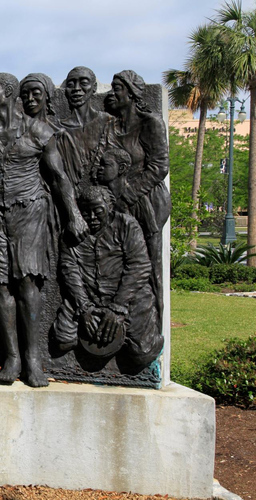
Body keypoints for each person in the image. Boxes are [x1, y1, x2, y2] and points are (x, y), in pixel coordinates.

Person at [0, 72, 88, 387]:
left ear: (10, 94)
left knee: (28, 282)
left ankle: (33, 358)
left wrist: (73, 215)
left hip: (28, 211)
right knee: (0, 286)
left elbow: (58, 177)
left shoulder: (39, 130)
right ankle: (11, 357)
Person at [52, 186, 162, 369]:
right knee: (63, 341)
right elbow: (69, 270)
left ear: (110, 207)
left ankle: (146, 335)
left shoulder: (127, 225)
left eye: (98, 211)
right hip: (88, 297)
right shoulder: (71, 233)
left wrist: (118, 307)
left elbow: (139, 266)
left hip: (128, 298)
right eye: (86, 213)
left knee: (142, 355)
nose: (92, 218)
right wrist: (84, 307)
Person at [104, 70, 170, 318]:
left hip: (147, 203)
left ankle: (155, 323)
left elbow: (159, 167)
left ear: (131, 93)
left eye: (117, 88)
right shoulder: (111, 126)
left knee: (149, 266)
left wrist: (129, 194)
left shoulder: (150, 122)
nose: (113, 93)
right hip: (119, 203)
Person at [57, 66, 113, 192]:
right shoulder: (57, 128)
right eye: (71, 84)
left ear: (94, 88)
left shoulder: (108, 122)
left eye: (83, 83)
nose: (77, 88)